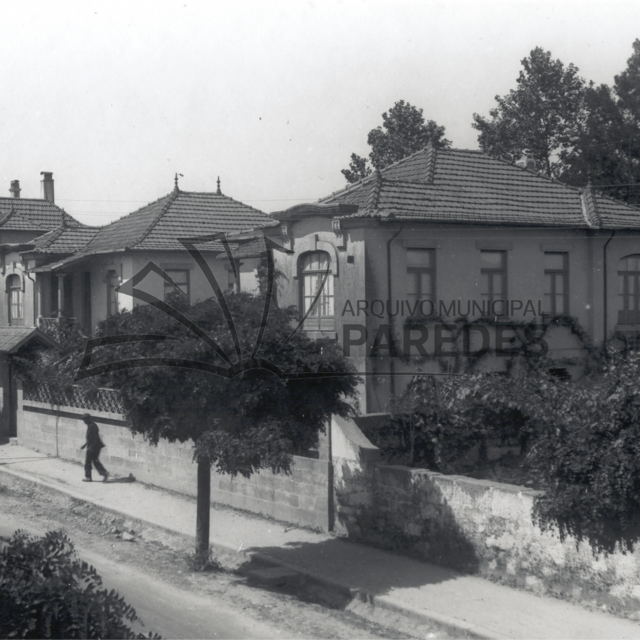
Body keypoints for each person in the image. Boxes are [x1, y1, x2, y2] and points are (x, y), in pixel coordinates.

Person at [80, 413, 109, 482]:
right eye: (84, 420)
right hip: (95, 446)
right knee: (95, 461)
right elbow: (91, 438)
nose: (84, 421)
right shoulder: (92, 425)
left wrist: (90, 447)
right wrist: (85, 445)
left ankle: (88, 477)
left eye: (85, 419)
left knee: (88, 462)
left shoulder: (92, 426)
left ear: (88, 419)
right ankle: (104, 473)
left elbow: (94, 438)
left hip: (93, 447)